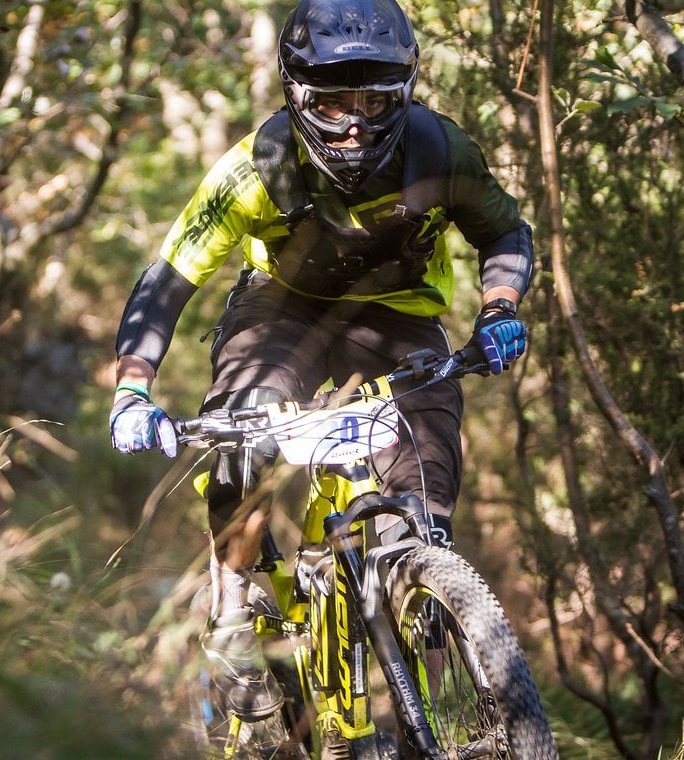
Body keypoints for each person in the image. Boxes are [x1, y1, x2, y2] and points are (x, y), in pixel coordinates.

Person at [109, 0, 531, 723]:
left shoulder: (439, 151)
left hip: (397, 311)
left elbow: (505, 231)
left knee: (432, 413)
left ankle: (419, 558)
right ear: (296, 93)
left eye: (374, 99)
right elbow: (169, 278)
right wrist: (132, 388)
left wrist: (499, 306)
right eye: (334, 102)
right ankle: (238, 600)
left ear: (405, 91)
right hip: (281, 310)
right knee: (238, 429)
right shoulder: (253, 168)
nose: (356, 122)